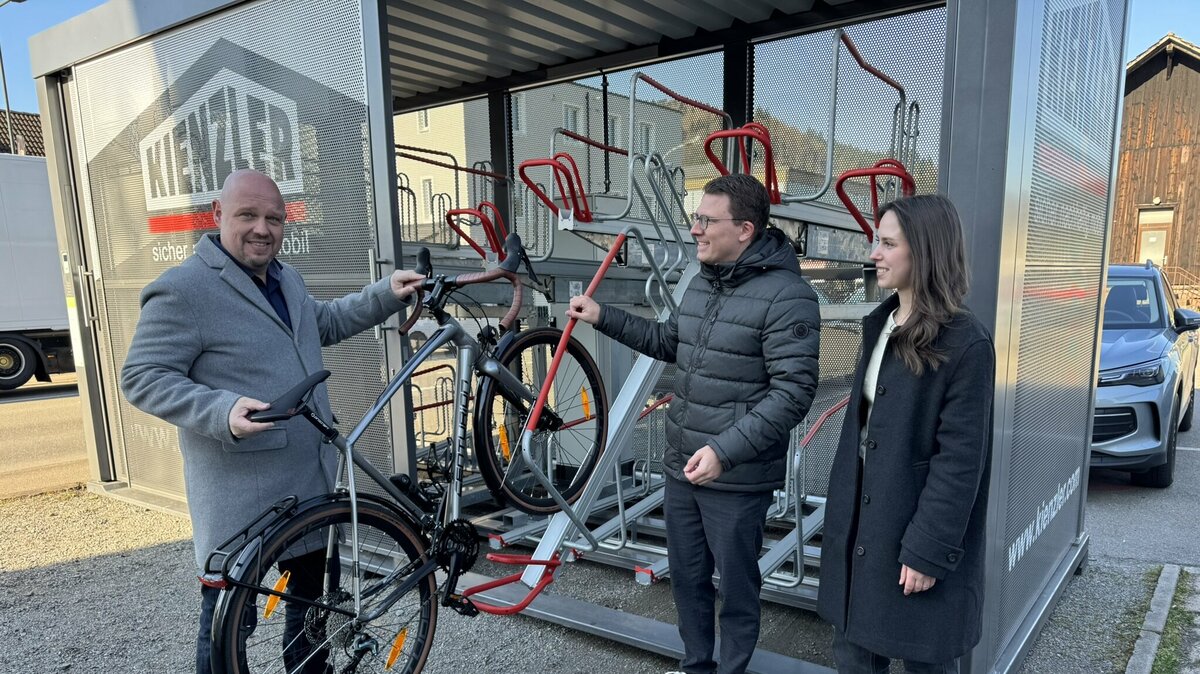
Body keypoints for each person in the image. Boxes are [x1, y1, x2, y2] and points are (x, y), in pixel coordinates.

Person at [120, 169, 424, 674]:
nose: (262, 229)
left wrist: (386, 293)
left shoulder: (286, 278)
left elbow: (324, 323)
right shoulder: (183, 289)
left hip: (309, 488)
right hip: (243, 499)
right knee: (228, 630)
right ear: (217, 215)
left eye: (274, 219)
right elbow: (142, 376)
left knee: (313, 618)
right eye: (248, 215)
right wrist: (221, 410)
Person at [567, 174, 821, 674]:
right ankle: (696, 665)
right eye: (695, 217)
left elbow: (793, 394)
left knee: (737, 589)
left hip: (736, 475)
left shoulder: (789, 296)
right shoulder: (703, 281)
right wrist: (603, 316)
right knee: (687, 579)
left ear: (745, 229)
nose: (695, 229)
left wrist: (724, 452)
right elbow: (669, 342)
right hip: (683, 464)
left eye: (707, 220)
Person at [816, 194, 995, 673]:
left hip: (914, 533)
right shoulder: (880, 324)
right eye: (878, 241)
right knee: (854, 655)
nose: (874, 253)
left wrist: (926, 551)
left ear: (926, 251)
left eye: (888, 243)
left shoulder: (966, 343)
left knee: (925, 659)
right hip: (864, 530)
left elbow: (959, 462)